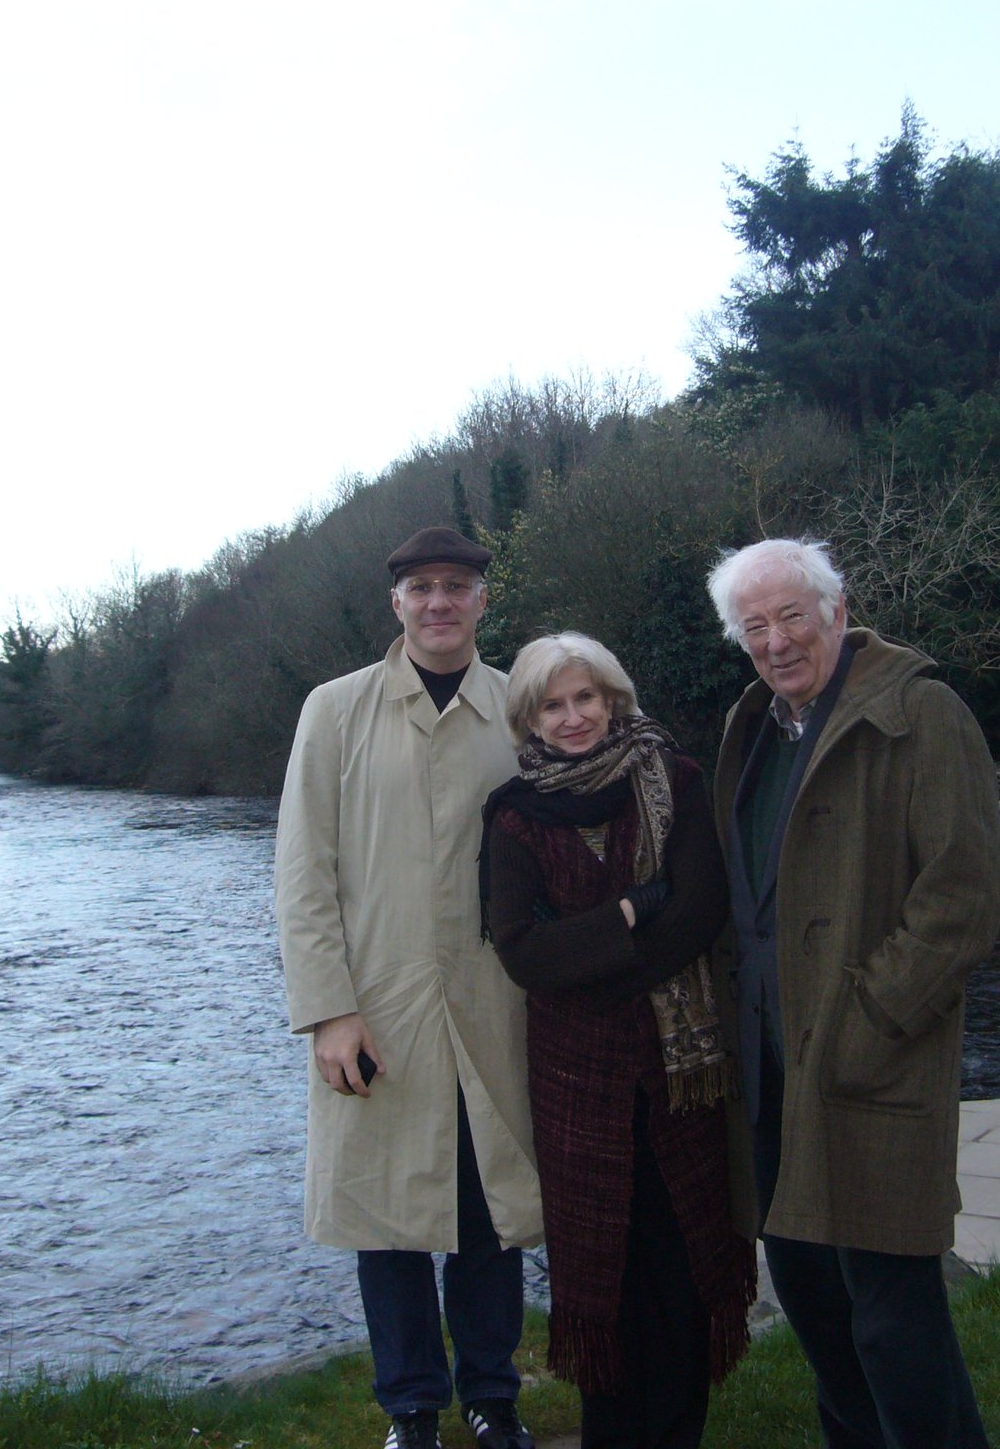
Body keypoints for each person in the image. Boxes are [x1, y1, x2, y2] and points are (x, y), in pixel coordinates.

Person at [704, 537, 1000, 1449]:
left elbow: (964, 893)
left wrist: (873, 1018)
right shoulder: (752, 726)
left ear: (836, 609)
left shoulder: (921, 712)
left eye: (791, 615)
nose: (776, 641)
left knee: (892, 1320)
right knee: (815, 1311)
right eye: (753, 627)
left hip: (867, 1063)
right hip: (766, 1071)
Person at [275, 526, 542, 1449]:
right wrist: (328, 1011)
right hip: (376, 1010)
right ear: (397, 603)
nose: (439, 602)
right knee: (386, 1220)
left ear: (481, 601)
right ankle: (411, 1409)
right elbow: (303, 870)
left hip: (493, 1004)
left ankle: (492, 1396)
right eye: (422, 587)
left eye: (457, 587)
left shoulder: (520, 708)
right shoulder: (336, 709)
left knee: (488, 1209)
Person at [481, 632, 755, 1449]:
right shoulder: (513, 814)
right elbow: (523, 951)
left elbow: (702, 911)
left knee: (682, 1259)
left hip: (680, 1075)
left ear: (615, 700)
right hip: (576, 1081)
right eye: (553, 705)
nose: (573, 718)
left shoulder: (675, 780)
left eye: (586, 699)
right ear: (529, 719)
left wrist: (590, 957)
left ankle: (676, 1431)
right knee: (603, 1267)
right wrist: (632, 912)